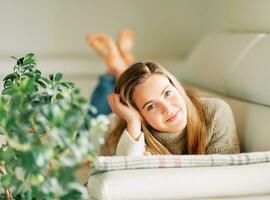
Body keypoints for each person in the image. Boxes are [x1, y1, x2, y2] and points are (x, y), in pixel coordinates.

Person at [86, 29, 240, 156]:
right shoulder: (125, 128)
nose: (167, 109)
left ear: (177, 87)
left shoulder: (215, 113)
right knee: (88, 125)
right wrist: (132, 121)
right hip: (103, 125)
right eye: (151, 106)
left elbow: (223, 174)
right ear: (139, 115)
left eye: (167, 93)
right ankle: (119, 67)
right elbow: (124, 176)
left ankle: (120, 67)